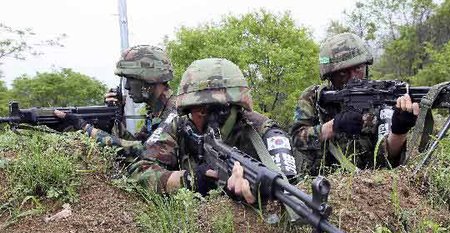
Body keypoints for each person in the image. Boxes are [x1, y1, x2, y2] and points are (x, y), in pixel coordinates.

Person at [129, 57, 297, 202]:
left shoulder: (264, 132)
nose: (215, 117)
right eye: (198, 110)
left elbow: (290, 187)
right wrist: (189, 179)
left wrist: (256, 192)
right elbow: (139, 170)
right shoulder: (180, 123)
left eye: (224, 110)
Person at [291, 33, 419, 174]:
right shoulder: (314, 97)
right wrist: (334, 126)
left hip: (365, 186)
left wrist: (400, 130)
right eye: (343, 73)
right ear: (330, 75)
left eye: (358, 68)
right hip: (318, 183)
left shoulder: (379, 96)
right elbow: (297, 140)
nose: (354, 77)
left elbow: (388, 157)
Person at [54, 45, 176, 157]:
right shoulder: (155, 112)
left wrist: (86, 128)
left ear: (149, 78)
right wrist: (113, 121)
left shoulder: (175, 113)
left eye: (131, 79)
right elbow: (137, 143)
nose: (127, 87)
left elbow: (144, 153)